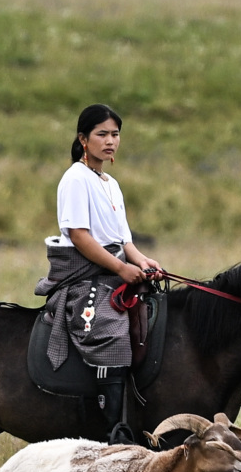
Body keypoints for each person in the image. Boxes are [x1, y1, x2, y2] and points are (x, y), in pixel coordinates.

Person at [36, 103, 162, 444]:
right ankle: (114, 430)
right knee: (109, 328)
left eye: (115, 134)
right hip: (84, 274)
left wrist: (143, 262)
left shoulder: (111, 183)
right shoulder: (75, 179)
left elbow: (124, 240)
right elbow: (79, 236)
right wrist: (122, 268)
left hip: (115, 267)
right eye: (102, 134)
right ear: (83, 139)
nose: (110, 141)